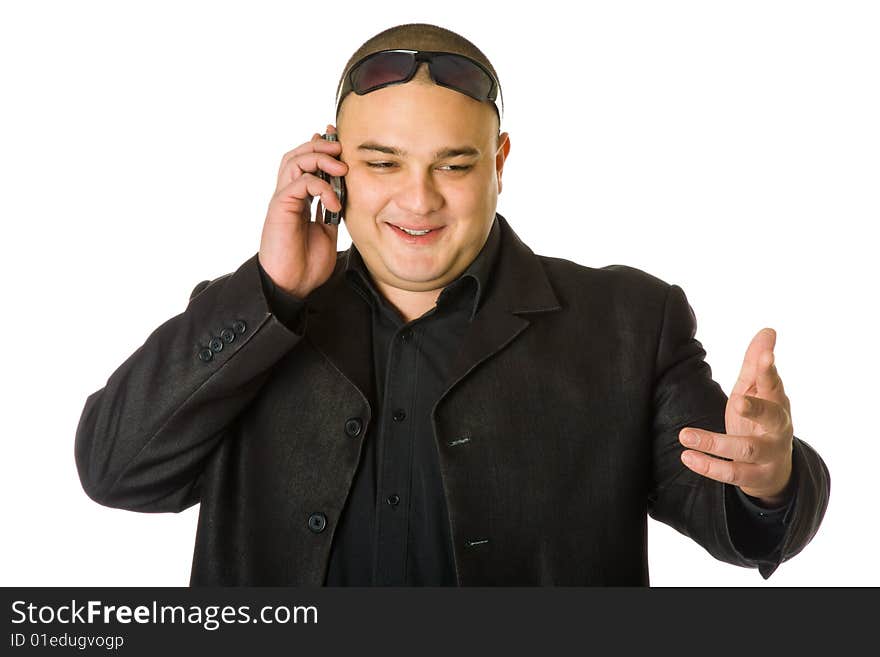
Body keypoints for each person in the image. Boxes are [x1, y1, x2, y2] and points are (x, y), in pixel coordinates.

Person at [74, 22, 830, 586]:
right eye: (382, 162)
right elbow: (113, 470)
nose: (418, 199)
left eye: (455, 164)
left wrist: (769, 480)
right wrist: (271, 292)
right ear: (332, 162)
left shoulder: (630, 322)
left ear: (500, 162)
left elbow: (745, 518)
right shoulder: (249, 321)